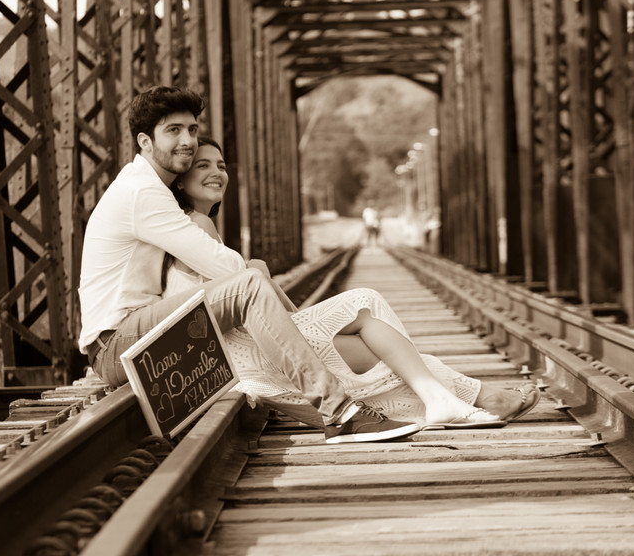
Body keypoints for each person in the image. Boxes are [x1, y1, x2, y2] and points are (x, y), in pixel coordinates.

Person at [78, 86, 425, 444]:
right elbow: (226, 268)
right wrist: (256, 270)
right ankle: (338, 411)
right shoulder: (142, 192)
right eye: (173, 131)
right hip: (117, 344)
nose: (188, 141)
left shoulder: (149, 188)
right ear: (145, 142)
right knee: (249, 283)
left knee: (255, 288)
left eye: (192, 130)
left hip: (136, 335)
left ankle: (376, 395)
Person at [165, 137, 540, 429]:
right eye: (203, 165)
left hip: (245, 356)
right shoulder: (196, 226)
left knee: (383, 352)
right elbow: (245, 309)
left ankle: (456, 400)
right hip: (247, 354)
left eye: (221, 165)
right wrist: (259, 272)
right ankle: (469, 397)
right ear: (180, 179)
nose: (217, 172)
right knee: (364, 302)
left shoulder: (193, 229)